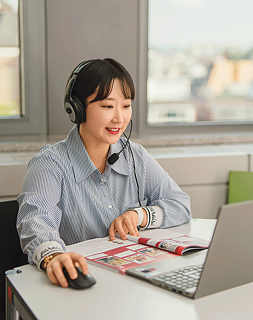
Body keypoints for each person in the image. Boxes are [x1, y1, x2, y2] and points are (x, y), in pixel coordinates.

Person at [16, 58, 191, 288]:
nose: (119, 118)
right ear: (76, 108)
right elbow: (36, 221)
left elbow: (181, 204)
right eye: (108, 106)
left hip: (132, 284)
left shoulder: (135, 156)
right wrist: (55, 257)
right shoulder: (49, 164)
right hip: (82, 289)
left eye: (126, 106)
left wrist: (139, 216)